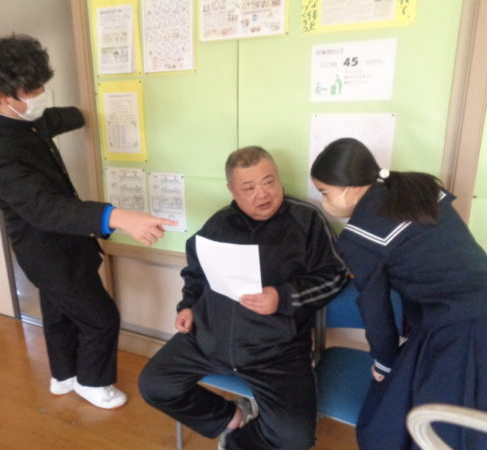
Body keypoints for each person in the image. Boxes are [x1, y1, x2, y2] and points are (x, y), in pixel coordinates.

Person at [0, 35, 176, 410]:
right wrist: (119, 217)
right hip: (47, 252)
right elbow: (45, 208)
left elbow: (52, 119)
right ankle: (93, 383)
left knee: (58, 312)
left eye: (41, 85)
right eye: (32, 90)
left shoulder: (22, 121)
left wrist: (85, 113)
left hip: (63, 244)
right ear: (1, 94)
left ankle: (63, 376)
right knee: (101, 318)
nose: (40, 95)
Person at [139, 146, 348, 449]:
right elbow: (196, 272)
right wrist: (188, 306)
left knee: (295, 438)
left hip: (277, 349)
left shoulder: (307, 220)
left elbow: (335, 275)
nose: (262, 194)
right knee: (154, 385)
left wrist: (283, 297)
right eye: (249, 187)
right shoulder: (219, 223)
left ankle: (237, 443)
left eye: (269, 181)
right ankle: (233, 417)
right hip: (209, 337)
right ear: (232, 190)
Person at [310, 137, 487, 449]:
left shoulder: (359, 237)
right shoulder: (418, 189)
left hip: (461, 328)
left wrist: (384, 363)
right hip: (461, 309)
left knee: (407, 425)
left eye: (325, 192)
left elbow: (375, 308)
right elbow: (427, 268)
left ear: (349, 188)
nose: (323, 201)